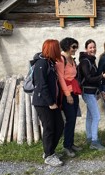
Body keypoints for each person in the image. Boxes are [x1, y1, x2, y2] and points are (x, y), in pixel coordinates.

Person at [32, 39, 64, 167]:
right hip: (43, 103)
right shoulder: (41, 64)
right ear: (53, 49)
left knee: (60, 125)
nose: (60, 50)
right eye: (58, 48)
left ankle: (50, 151)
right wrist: (50, 102)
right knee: (49, 128)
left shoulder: (50, 63)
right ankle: (49, 155)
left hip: (51, 102)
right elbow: (41, 85)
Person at [78, 39, 105, 150]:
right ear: (86, 49)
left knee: (90, 116)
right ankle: (94, 141)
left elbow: (94, 79)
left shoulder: (91, 61)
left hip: (92, 92)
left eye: (94, 47)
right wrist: (102, 76)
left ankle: (89, 137)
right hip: (87, 92)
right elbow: (88, 78)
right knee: (96, 117)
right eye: (90, 47)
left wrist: (99, 90)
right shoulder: (85, 61)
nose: (93, 49)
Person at [56, 37, 83, 157]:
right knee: (70, 119)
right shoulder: (61, 59)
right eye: (73, 47)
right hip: (67, 93)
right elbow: (61, 78)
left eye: (76, 47)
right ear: (66, 47)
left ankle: (71, 143)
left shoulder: (71, 59)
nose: (75, 49)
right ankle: (67, 146)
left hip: (74, 92)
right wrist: (67, 95)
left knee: (73, 119)